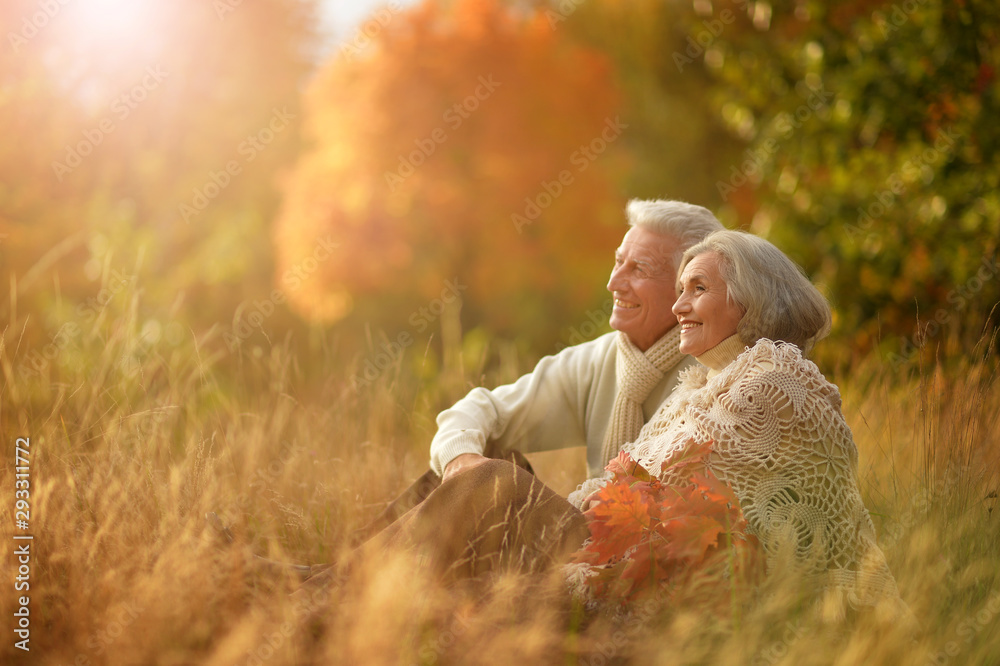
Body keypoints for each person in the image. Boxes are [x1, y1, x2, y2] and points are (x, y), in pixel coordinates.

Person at [567, 229, 909, 619]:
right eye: (681, 290)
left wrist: (577, 518)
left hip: (758, 612)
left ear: (751, 300)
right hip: (669, 585)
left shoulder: (774, 379)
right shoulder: (695, 390)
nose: (678, 306)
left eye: (698, 288)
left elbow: (680, 497)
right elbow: (633, 486)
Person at [360, 199, 725, 535]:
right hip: (586, 532)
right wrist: (460, 460)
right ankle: (351, 573)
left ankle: (343, 580)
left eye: (638, 269)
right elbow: (478, 410)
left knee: (493, 477)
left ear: (687, 288)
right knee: (490, 459)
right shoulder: (599, 359)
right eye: (618, 262)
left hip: (632, 552)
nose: (614, 283)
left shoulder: (714, 372)